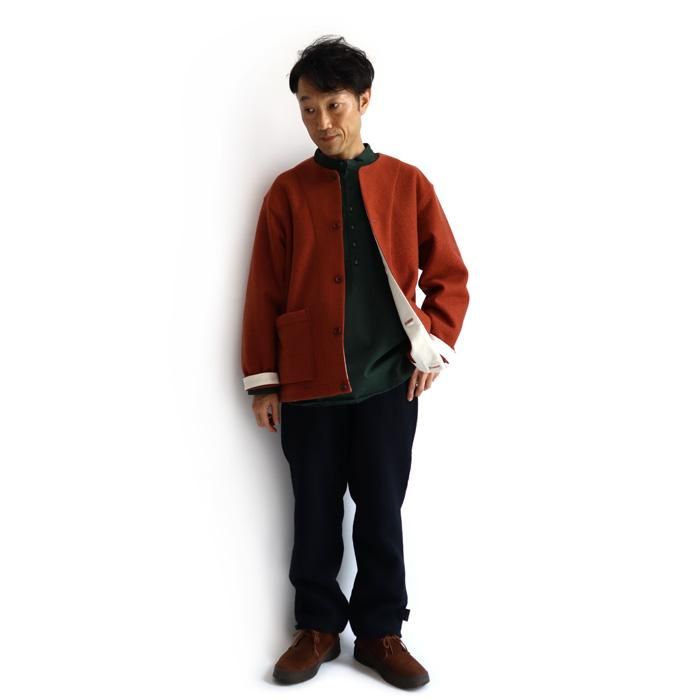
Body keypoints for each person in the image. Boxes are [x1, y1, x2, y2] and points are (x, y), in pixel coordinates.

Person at [240, 35, 469, 689]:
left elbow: (449, 277)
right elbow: (264, 289)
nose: (321, 121)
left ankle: (380, 633)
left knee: (381, 511)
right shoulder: (286, 192)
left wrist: (433, 345)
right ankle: (316, 628)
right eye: (308, 108)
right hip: (307, 382)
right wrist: (264, 382)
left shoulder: (407, 183)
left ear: (364, 101)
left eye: (333, 105)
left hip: (388, 381)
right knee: (313, 509)